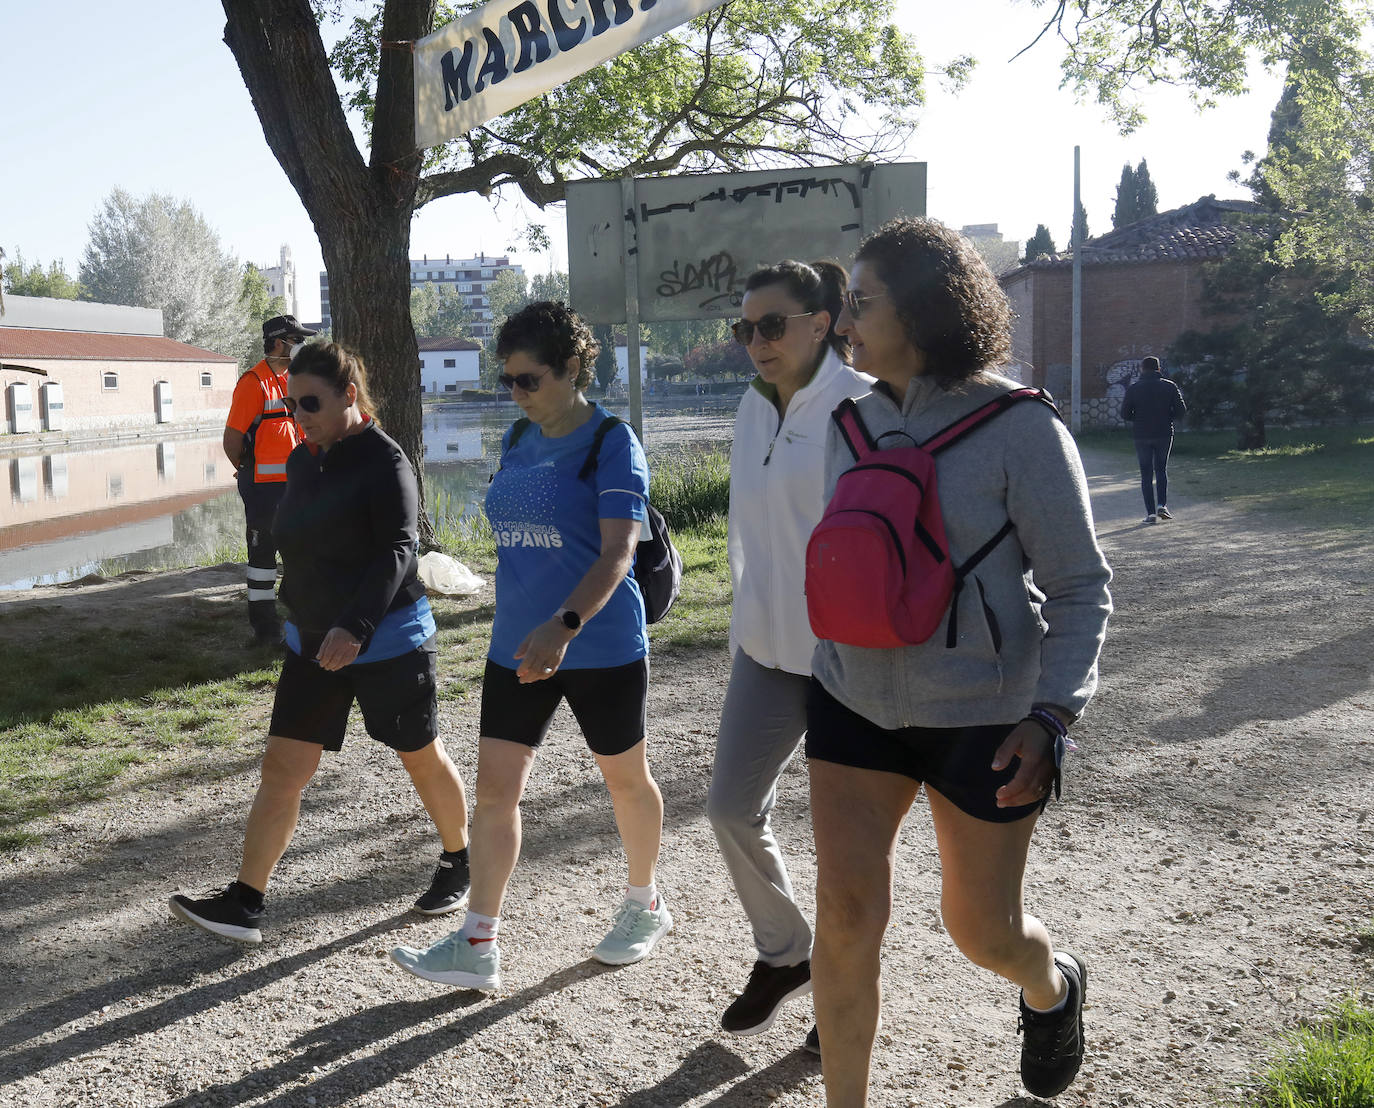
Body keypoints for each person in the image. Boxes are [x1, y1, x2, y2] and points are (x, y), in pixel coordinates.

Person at [805, 219, 1112, 1105]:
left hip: (986, 711)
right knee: (847, 914)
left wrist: (1053, 713)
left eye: (861, 303)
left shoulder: (1020, 427)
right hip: (853, 700)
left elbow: (1082, 586)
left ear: (926, 312)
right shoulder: (848, 425)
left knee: (982, 930)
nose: (844, 321)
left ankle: (1051, 985)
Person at [391, 301, 671, 991]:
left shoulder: (611, 441)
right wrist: (530, 627)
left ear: (572, 368)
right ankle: (477, 943)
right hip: (517, 646)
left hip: (597, 643)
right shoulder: (519, 437)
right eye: (508, 381)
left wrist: (563, 626)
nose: (516, 393)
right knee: (495, 796)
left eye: (529, 379)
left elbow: (618, 554)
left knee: (625, 781)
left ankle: (645, 903)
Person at [170, 342, 472, 943]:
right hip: (312, 644)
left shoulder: (386, 463)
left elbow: (399, 549)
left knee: (419, 755)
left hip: (387, 640)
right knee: (283, 768)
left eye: (310, 401)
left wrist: (354, 625)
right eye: (290, 400)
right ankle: (246, 902)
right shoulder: (306, 459)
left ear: (348, 396)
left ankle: (460, 859)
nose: (296, 412)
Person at [709, 260, 870, 1052]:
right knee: (730, 808)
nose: (756, 343)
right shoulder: (749, 406)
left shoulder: (862, 407)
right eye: (745, 329)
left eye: (771, 325)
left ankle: (836, 1009)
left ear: (821, 322)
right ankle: (785, 954)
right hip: (766, 651)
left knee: (848, 860)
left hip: (847, 662)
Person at [222, 315, 314, 645]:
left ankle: (301, 624)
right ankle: (265, 631)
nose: (301, 345)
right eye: (296, 339)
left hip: (295, 487)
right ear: (278, 342)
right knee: (263, 561)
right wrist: (247, 469)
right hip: (263, 490)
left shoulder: (293, 379)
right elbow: (232, 440)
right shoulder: (253, 383)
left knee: (301, 556)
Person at [1121, 355, 1187, 523]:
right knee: (1161, 469)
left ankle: (1150, 513)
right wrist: (1167, 416)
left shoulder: (1134, 388)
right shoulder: (1170, 386)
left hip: (1142, 434)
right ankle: (1162, 505)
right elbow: (1181, 411)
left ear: (1142, 369)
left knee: (1146, 473)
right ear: (1159, 369)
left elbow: (1125, 414)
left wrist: (1138, 417)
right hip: (1164, 433)